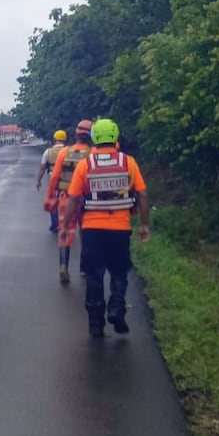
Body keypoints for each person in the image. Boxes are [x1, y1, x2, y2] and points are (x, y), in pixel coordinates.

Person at [60, 118, 151, 338]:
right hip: (120, 229)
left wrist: (65, 225)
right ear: (115, 137)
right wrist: (144, 225)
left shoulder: (85, 165)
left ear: (94, 138)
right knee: (119, 272)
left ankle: (95, 324)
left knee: (94, 276)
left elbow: (73, 199)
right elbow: (142, 194)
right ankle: (117, 308)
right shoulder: (128, 162)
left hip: (92, 230)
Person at [44, 120, 93, 283]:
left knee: (65, 230)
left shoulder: (65, 152)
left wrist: (50, 196)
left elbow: (55, 176)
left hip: (66, 197)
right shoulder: (92, 154)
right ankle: (85, 269)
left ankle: (63, 266)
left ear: (76, 135)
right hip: (87, 200)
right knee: (86, 233)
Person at [37, 130, 67, 232]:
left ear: (54, 139)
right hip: (67, 180)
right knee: (67, 201)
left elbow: (42, 168)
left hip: (52, 180)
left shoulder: (48, 152)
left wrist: (39, 180)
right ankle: (66, 223)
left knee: (53, 201)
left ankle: (55, 224)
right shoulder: (69, 151)